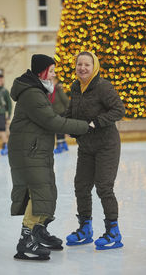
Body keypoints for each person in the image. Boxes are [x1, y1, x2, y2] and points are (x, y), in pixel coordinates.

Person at [8, 54, 94, 261]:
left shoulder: (37, 90)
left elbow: (52, 117)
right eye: (52, 71)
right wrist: (85, 126)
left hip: (34, 149)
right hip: (29, 151)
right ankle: (26, 240)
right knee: (40, 193)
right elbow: (52, 122)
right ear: (42, 72)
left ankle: (39, 231)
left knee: (47, 191)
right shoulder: (32, 93)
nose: (55, 74)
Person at [65, 51, 125, 250]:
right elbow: (71, 111)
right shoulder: (75, 87)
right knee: (81, 186)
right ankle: (85, 228)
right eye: (79, 64)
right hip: (86, 146)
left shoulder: (103, 86)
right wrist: (63, 124)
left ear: (94, 67)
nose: (82, 68)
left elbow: (119, 110)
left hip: (106, 145)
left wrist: (96, 123)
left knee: (104, 187)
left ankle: (113, 231)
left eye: (86, 65)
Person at [48, 78, 70, 153]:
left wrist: (69, 111)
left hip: (61, 112)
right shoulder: (48, 92)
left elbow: (65, 100)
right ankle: (64, 144)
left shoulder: (58, 90)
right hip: (54, 114)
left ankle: (60, 145)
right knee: (59, 130)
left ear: (55, 82)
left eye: (52, 81)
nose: (50, 83)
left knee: (59, 130)